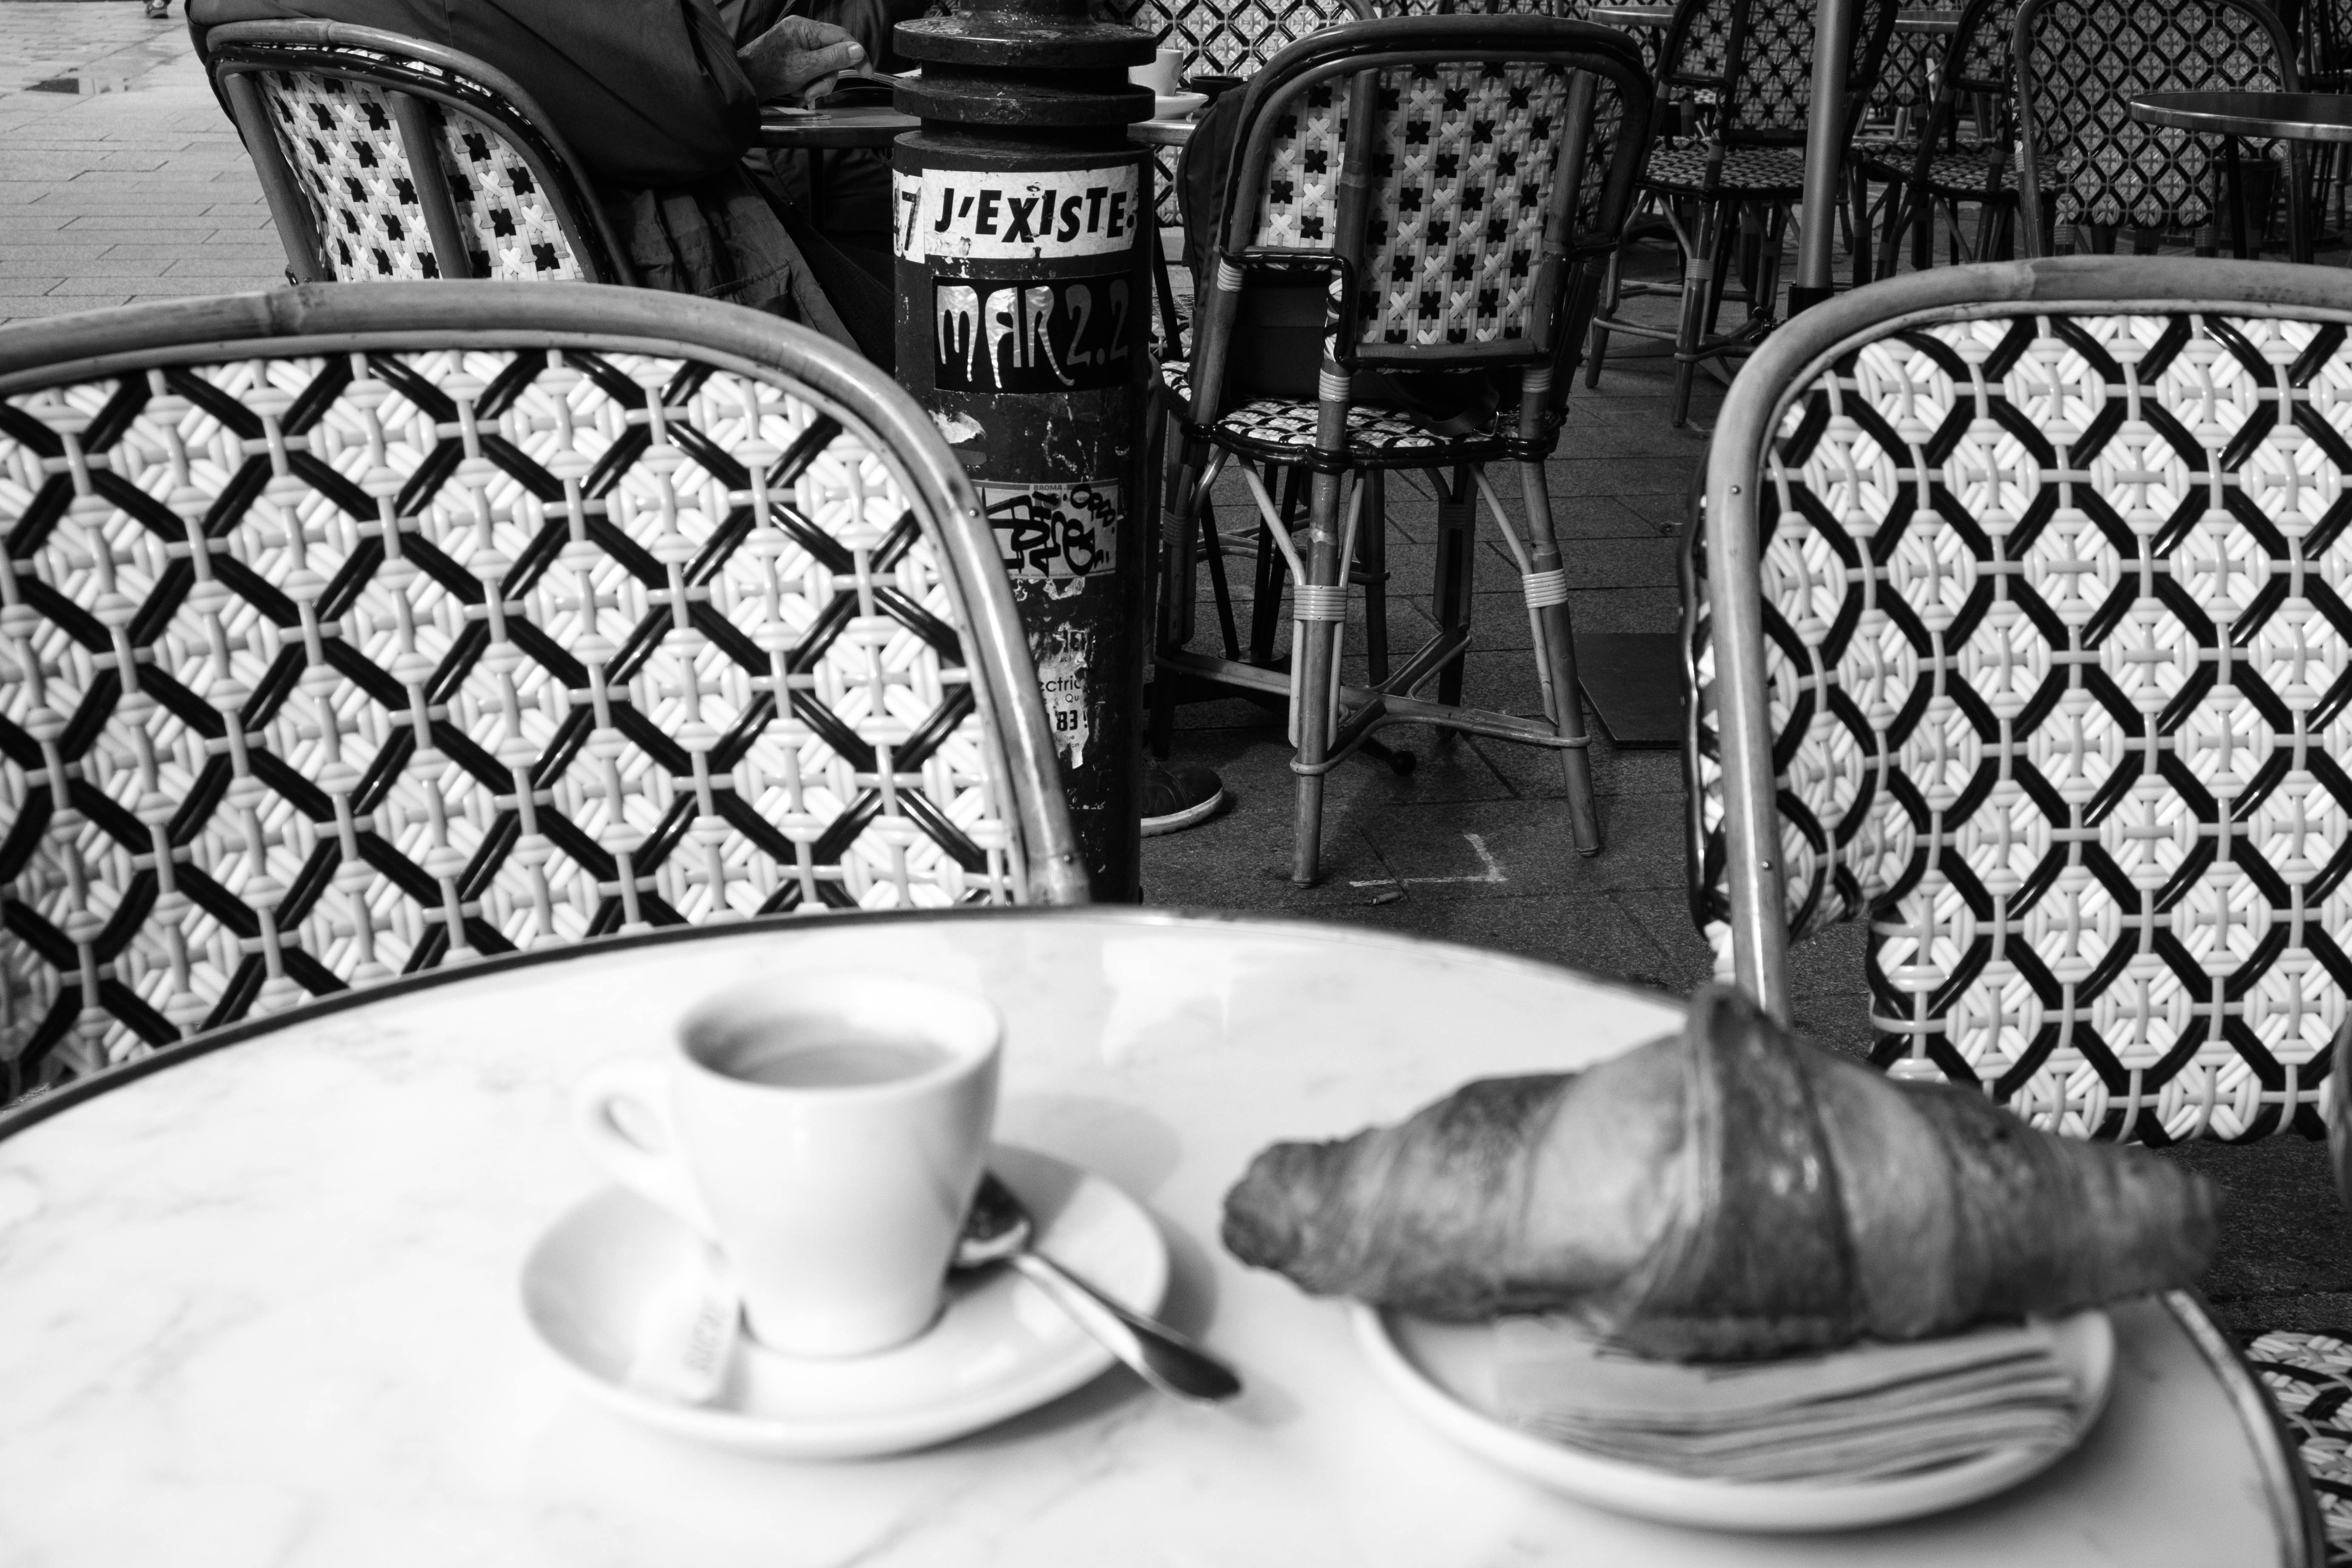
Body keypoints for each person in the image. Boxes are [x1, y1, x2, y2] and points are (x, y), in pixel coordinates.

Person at [186, 0, 911, 365]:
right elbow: (696, 115)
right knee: (938, 332)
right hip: (621, 312)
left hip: (388, 318)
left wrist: (743, 72)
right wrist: (726, 80)